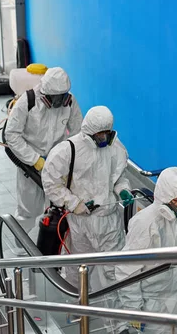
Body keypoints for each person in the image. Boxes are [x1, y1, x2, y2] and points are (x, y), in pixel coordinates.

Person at [41, 106, 134, 290]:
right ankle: (78, 308)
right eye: (100, 134)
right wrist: (75, 204)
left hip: (109, 220)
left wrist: (123, 189)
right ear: (89, 131)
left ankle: (117, 312)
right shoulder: (68, 150)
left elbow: (118, 177)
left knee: (116, 268)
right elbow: (51, 182)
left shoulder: (115, 148)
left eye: (107, 133)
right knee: (79, 267)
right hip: (80, 222)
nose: (104, 138)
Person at [116, 167, 177, 334]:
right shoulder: (145, 223)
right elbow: (127, 271)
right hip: (155, 304)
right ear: (165, 197)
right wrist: (135, 314)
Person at [5, 67, 83, 237]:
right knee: (28, 210)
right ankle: (21, 248)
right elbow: (11, 135)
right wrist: (35, 160)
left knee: (56, 207)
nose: (57, 102)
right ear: (45, 93)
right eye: (53, 98)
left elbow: (78, 133)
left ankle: (52, 244)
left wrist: (69, 158)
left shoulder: (69, 102)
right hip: (30, 162)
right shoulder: (28, 101)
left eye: (60, 97)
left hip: (57, 164)